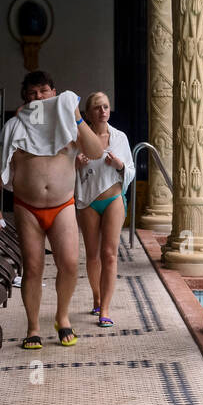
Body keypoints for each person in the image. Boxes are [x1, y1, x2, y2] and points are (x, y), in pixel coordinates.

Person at [0, 70, 105, 349]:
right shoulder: (15, 126)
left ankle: (62, 317)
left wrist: (75, 116)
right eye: (32, 93)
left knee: (69, 264)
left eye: (43, 91)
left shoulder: (68, 122)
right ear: (25, 99)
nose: (38, 97)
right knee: (33, 268)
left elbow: (97, 151)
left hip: (62, 204)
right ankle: (33, 327)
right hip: (27, 207)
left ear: (54, 93)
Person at [74, 92, 135, 328]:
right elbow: (65, 172)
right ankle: (97, 297)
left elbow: (130, 169)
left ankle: (106, 309)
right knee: (92, 255)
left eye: (106, 106)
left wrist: (119, 165)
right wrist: (76, 164)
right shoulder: (78, 138)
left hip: (113, 199)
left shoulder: (120, 138)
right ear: (88, 113)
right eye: (97, 107)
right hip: (88, 202)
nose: (103, 111)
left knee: (109, 254)